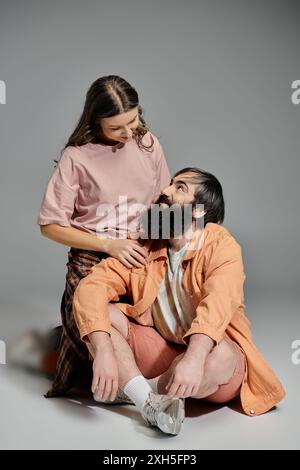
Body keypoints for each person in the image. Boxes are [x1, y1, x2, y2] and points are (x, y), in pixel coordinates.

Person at [72, 167, 286, 436]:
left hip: (212, 362)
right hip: (163, 352)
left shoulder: (221, 245)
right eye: (170, 184)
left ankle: (136, 390)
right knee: (102, 315)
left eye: (180, 188)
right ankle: (150, 402)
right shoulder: (146, 242)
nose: (165, 191)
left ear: (197, 211)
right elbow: (91, 287)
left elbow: (218, 304)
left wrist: (193, 358)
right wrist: (102, 348)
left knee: (218, 355)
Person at [37, 75, 171, 397]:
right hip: (94, 253)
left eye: (133, 120)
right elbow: (50, 225)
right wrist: (110, 245)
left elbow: (164, 202)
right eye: (116, 128)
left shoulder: (148, 143)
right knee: (95, 326)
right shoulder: (76, 157)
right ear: (96, 121)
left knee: (160, 325)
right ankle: (137, 393)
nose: (129, 133)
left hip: (142, 249)